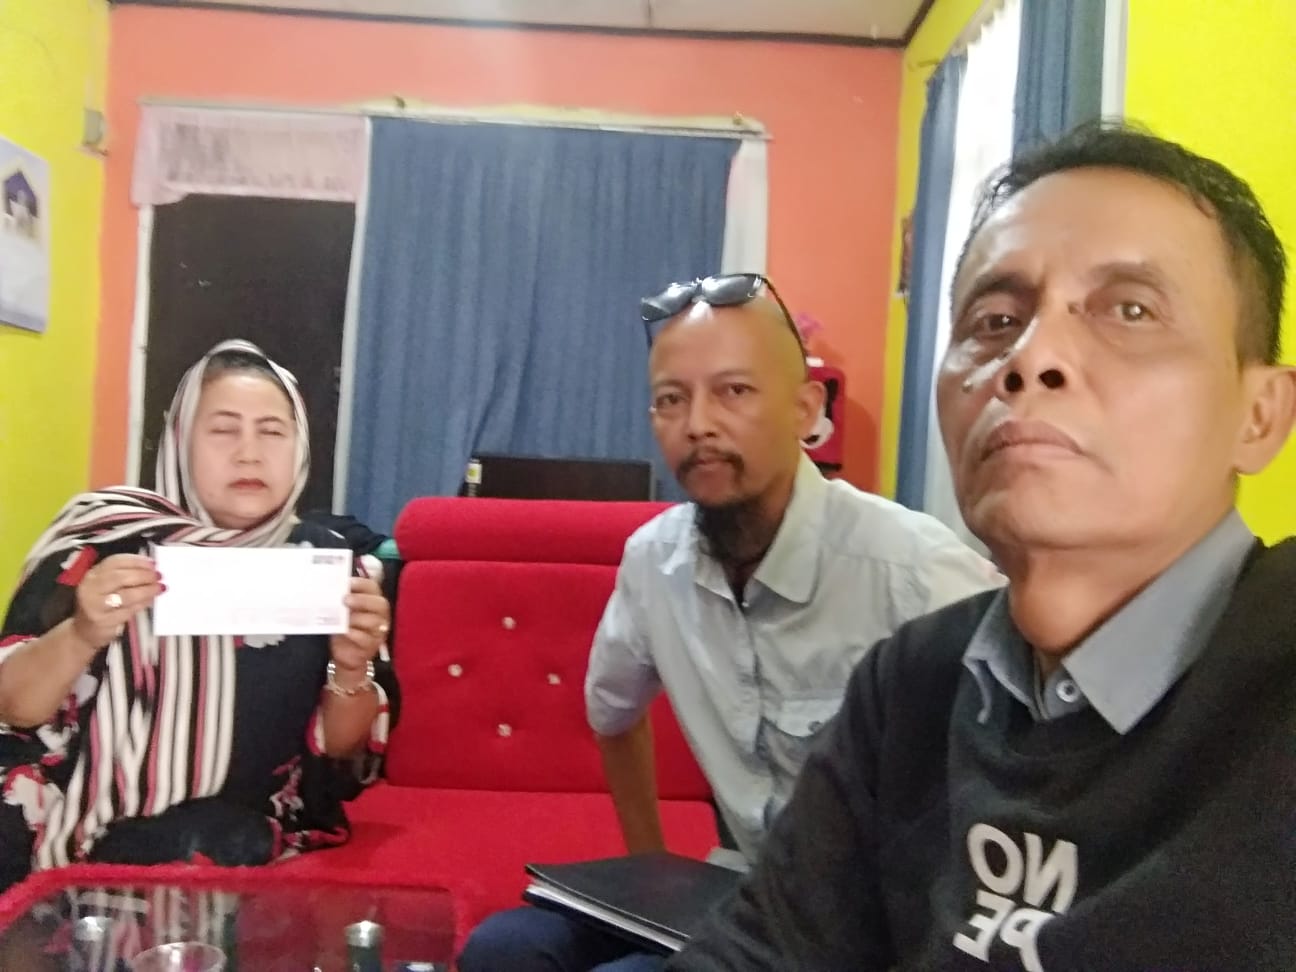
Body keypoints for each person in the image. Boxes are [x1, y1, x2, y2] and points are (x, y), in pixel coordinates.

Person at [669, 123, 1296, 971]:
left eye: (1131, 311)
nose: (1030, 359)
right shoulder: (913, 687)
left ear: (1260, 416)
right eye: (995, 320)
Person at [459, 274, 1001, 971]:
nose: (698, 424)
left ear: (806, 410)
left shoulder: (914, 573)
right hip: (742, 890)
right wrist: (647, 875)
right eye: (671, 399)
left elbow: (1022, 766)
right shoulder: (653, 563)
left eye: (733, 391)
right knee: (502, 952)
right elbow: (612, 715)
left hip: (868, 926)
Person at [0, 339, 399, 891]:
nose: (249, 453)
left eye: (272, 431)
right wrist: (82, 633)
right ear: (180, 441)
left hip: (232, 828)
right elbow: (15, 709)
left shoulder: (329, 566)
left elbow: (342, 754)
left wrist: (351, 667)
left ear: (300, 447)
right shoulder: (105, 538)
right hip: (65, 803)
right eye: (223, 430)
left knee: (214, 843)